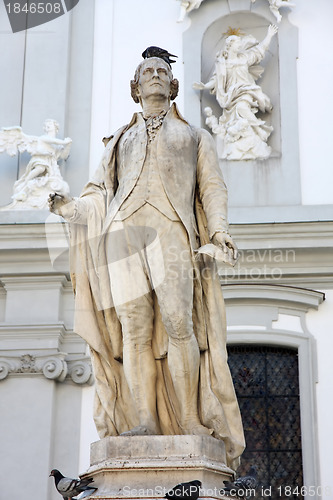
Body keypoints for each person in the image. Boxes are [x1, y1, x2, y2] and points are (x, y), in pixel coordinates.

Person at [48, 50, 245, 470]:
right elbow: (98, 193)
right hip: (121, 234)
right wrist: (71, 210)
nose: (155, 76)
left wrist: (220, 231)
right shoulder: (118, 140)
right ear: (135, 88)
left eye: (162, 72)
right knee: (133, 331)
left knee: (178, 323)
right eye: (147, 72)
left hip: (172, 230)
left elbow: (212, 187)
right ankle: (144, 421)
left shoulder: (194, 136)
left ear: (173, 86)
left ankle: (191, 419)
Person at [193, 25, 278, 160]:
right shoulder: (223, 63)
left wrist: (269, 35)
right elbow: (216, 80)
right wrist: (204, 86)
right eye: (237, 43)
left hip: (246, 90)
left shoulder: (244, 58)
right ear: (230, 45)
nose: (239, 45)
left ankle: (260, 129)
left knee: (242, 107)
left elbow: (260, 50)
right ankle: (251, 133)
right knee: (236, 115)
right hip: (230, 97)